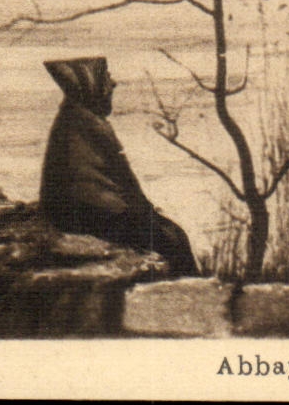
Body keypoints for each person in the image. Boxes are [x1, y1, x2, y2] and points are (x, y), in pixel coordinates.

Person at [39, 56, 199, 275]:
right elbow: (125, 182)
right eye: (106, 77)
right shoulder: (91, 124)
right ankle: (186, 297)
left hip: (76, 212)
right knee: (173, 238)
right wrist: (147, 213)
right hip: (93, 215)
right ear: (90, 84)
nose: (112, 84)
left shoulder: (72, 118)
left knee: (168, 233)